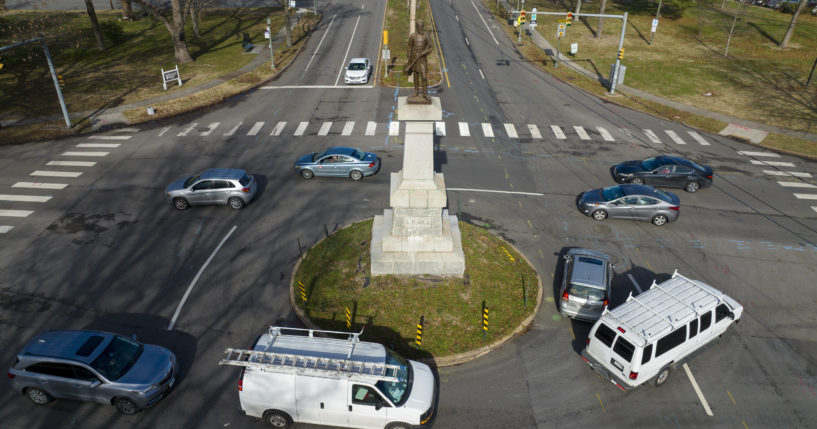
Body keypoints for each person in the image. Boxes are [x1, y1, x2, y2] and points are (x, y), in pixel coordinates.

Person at [406, 19, 433, 102]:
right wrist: (409, 61)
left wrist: (425, 52)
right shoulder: (412, 36)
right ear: (416, 27)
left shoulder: (426, 36)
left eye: (421, 26)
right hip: (415, 58)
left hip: (423, 59)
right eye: (418, 26)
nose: (420, 28)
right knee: (416, 76)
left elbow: (430, 48)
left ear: (423, 26)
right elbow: (409, 49)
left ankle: (425, 93)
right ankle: (416, 91)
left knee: (424, 77)